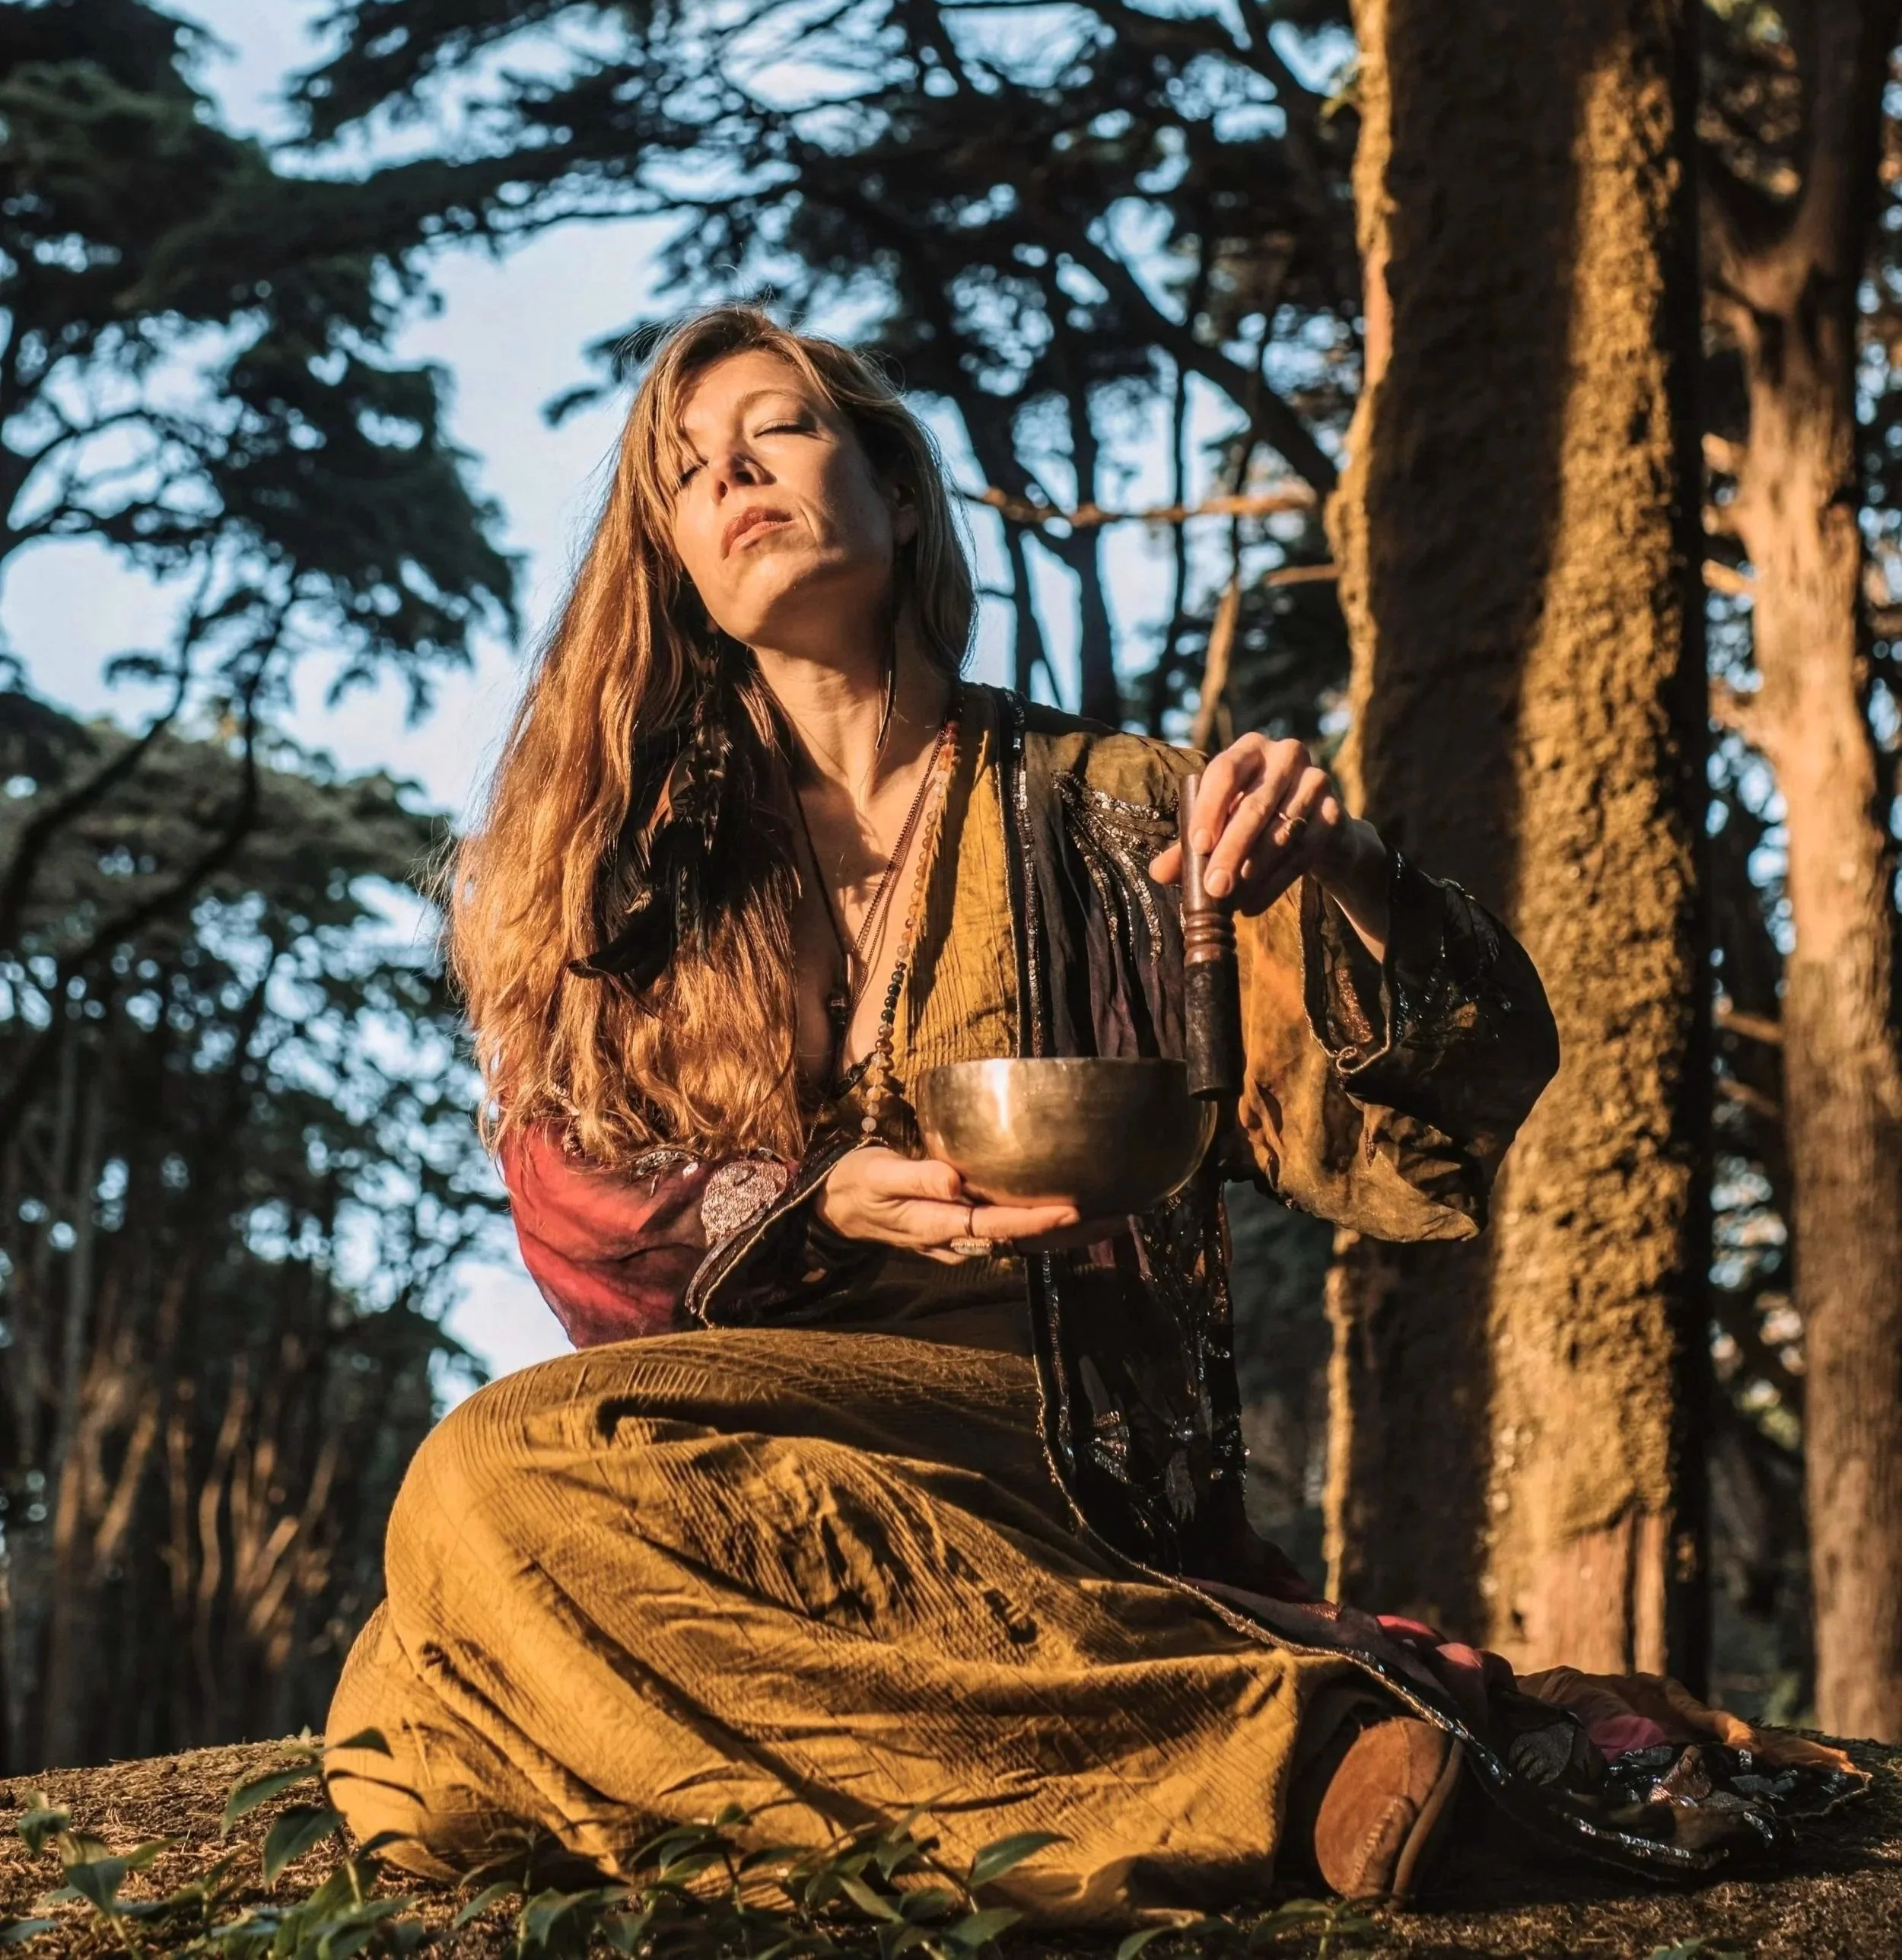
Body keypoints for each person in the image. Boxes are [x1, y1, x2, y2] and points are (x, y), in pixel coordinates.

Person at [329, 307, 1861, 1918]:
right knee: (426, 1677)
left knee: (493, 1512)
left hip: (1058, 1429)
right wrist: (816, 1196)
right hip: (760, 1436)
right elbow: (569, 1214)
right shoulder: (648, 870)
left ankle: (1280, 1759)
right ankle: (1292, 1748)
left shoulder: (1120, 811)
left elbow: (1424, 1131)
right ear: (679, 572)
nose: (731, 475)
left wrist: (1336, 879)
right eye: (686, 472)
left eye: (774, 431)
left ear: (894, 490)